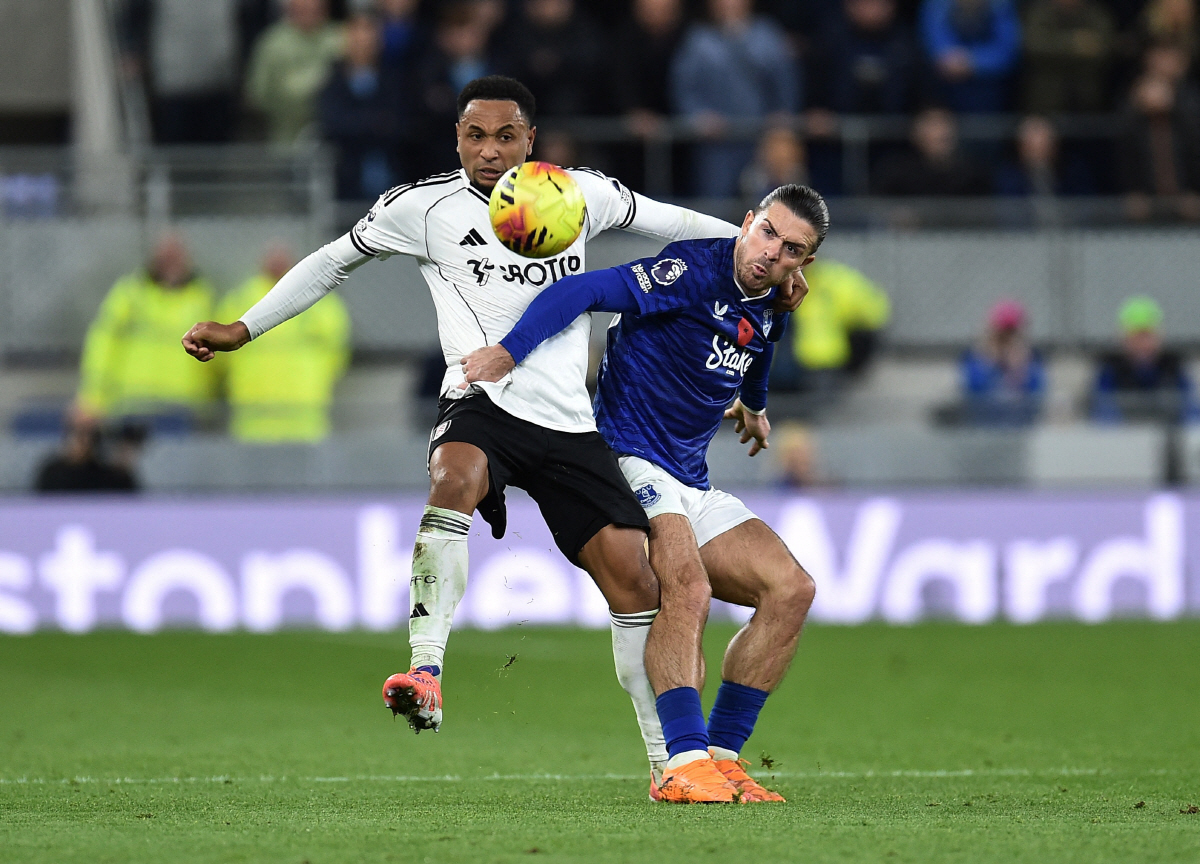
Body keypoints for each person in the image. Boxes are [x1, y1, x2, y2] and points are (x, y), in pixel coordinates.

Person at [181, 76, 801, 803]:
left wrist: (766, 266)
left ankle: (673, 766)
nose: (490, 150)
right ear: (457, 138)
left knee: (635, 580)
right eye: (475, 135)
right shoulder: (422, 208)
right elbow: (331, 261)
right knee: (454, 477)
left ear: (529, 140)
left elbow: (679, 225)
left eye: (506, 136)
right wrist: (243, 328)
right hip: (483, 397)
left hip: (570, 421)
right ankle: (425, 669)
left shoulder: (579, 196)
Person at [459, 184, 826, 803]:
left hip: (691, 475)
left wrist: (756, 407)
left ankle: (721, 758)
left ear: (803, 263)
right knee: (688, 586)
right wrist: (508, 351)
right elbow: (583, 291)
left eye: (791, 248)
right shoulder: (689, 270)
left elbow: (759, 341)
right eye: (767, 232)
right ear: (747, 222)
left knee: (791, 589)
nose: (771, 252)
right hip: (632, 457)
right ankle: (679, 765)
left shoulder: (770, 301)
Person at [78, 233, 218, 427]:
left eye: (176, 257)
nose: (171, 263)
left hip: (183, 408)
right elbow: (102, 346)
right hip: (133, 405)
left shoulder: (202, 297)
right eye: (166, 257)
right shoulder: (130, 294)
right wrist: (92, 399)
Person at [217, 243, 351, 442]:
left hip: (303, 422)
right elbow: (220, 357)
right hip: (254, 423)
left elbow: (337, 354)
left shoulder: (323, 304)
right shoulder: (239, 301)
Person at [670, 0, 801, 197]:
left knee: (766, 204)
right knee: (715, 204)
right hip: (716, 144)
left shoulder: (766, 33)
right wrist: (698, 117)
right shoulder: (699, 39)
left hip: (761, 138)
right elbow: (683, 86)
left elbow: (786, 79)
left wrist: (782, 116)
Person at [318, 12, 408, 200]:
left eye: (368, 34)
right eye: (356, 35)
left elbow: (399, 123)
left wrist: (360, 123)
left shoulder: (395, 80)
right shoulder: (333, 81)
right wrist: (374, 123)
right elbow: (332, 124)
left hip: (392, 173)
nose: (362, 42)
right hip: (345, 176)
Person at [770, 257, 890, 393]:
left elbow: (873, 313)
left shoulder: (832, 282)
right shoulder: (833, 280)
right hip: (805, 365)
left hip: (817, 365)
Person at [245, 0, 344, 144]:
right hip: (284, 137)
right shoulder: (272, 42)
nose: (309, 10)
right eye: (302, 7)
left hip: (338, 136)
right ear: (289, 8)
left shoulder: (341, 37)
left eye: (314, 7)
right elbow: (257, 93)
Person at [1091, 296, 1198, 423]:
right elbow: (1101, 414)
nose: (1142, 344)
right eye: (1135, 337)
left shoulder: (1173, 368)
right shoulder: (1110, 371)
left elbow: (1191, 412)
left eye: (1147, 336)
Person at [809, 0, 921, 115]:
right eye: (864, 3)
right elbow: (815, 91)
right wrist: (817, 110)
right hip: (836, 124)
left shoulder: (908, 45)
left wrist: (927, 112)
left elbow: (921, 95)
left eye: (878, 3)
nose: (871, 9)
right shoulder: (829, 41)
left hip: (898, 125)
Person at [920, 0, 1022, 113]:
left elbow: (1007, 51)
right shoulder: (938, 4)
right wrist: (949, 58)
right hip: (943, 88)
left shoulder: (1001, 5)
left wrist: (972, 61)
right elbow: (933, 39)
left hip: (989, 91)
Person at [957, 298, 1045, 425]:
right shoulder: (974, 358)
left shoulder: (1032, 359)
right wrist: (989, 363)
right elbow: (971, 394)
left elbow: (1037, 395)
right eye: (1002, 335)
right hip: (984, 428)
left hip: (1019, 427)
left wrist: (1019, 370)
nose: (1006, 340)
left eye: (1011, 334)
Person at [1021, 0, 1115, 114]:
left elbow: (1104, 47)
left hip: (1088, 96)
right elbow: (1034, 46)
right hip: (1046, 98)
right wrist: (1075, 42)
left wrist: (1056, 48)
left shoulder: (1095, 13)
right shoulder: (1041, 12)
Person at [873, 107, 992, 197]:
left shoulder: (973, 173)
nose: (940, 133)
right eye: (932, 126)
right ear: (916, 134)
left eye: (944, 125)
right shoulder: (896, 171)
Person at [34, 414, 138, 493]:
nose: (84, 442)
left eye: (89, 436)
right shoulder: (52, 473)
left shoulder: (107, 475)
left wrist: (123, 469)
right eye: (78, 435)